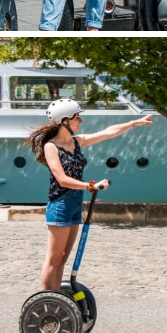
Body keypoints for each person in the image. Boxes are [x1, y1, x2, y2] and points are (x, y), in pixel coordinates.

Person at [25, 99, 152, 290]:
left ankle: (57, 296)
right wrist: (90, 186)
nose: (80, 121)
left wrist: (133, 123)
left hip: (75, 204)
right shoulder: (51, 146)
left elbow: (107, 133)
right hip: (60, 205)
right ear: (64, 120)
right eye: (77, 117)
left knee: (62, 260)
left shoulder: (76, 142)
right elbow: (61, 179)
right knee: (53, 260)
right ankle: (45, 299)